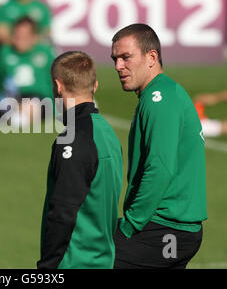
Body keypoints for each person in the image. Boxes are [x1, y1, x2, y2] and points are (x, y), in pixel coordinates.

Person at [110, 23, 207, 269]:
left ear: (151, 57)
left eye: (126, 57)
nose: (118, 66)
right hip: (172, 229)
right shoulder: (162, 94)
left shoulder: (159, 98)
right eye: (115, 59)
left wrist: (130, 225)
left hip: (163, 228)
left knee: (86, 259)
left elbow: (160, 167)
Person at [37, 51, 123, 269]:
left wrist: (48, 265)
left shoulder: (72, 139)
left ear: (57, 86)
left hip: (74, 261)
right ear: (95, 86)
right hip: (102, 259)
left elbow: (63, 212)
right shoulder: (108, 133)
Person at [0, 16, 55, 127]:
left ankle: (20, 117)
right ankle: (16, 116)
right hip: (12, 97)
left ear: (34, 37)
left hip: (38, 99)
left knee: (32, 106)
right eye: (17, 36)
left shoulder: (45, 53)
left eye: (25, 37)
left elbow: (54, 83)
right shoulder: (5, 52)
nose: (20, 40)